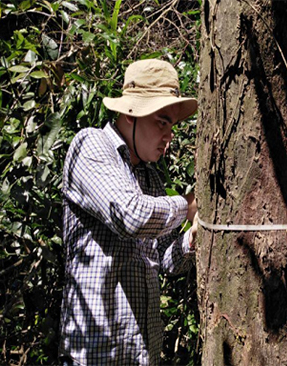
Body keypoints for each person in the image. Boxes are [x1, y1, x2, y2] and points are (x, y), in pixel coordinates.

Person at [59, 59, 199, 365]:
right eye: (162, 122)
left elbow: (165, 261)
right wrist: (185, 206)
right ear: (129, 114)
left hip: (140, 354)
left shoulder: (151, 179)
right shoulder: (92, 145)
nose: (169, 135)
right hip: (95, 356)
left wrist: (193, 239)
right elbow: (130, 216)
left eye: (172, 125)